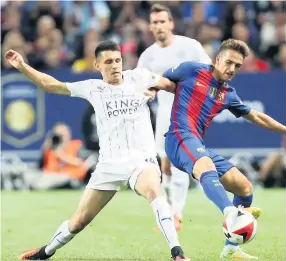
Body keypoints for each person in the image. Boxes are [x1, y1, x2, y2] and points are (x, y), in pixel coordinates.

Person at [5, 41, 190, 261]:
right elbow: (51, 84)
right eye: (109, 62)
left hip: (141, 161)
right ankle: (44, 253)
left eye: (118, 60)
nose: (115, 66)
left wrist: (156, 88)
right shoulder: (92, 87)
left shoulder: (140, 77)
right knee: (79, 221)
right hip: (109, 166)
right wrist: (23, 66)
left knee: (154, 191)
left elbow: (173, 85)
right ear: (97, 65)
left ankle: (177, 253)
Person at [151, 39, 286, 259]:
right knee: (205, 164)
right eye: (228, 62)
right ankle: (230, 213)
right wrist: (152, 89)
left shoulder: (229, 94)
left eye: (237, 66)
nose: (232, 69)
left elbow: (257, 116)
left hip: (197, 144)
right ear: (217, 60)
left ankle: (231, 248)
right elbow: (160, 79)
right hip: (178, 138)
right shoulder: (191, 69)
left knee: (244, 188)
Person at [137, 3, 211, 230]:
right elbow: (141, 83)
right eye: (155, 22)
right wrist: (148, 91)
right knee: (165, 164)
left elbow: (208, 71)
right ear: (150, 27)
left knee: (177, 162)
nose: (159, 26)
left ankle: (176, 213)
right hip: (164, 112)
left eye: (162, 21)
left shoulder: (190, 47)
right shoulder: (148, 56)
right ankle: (170, 208)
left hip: (187, 111)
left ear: (171, 24)